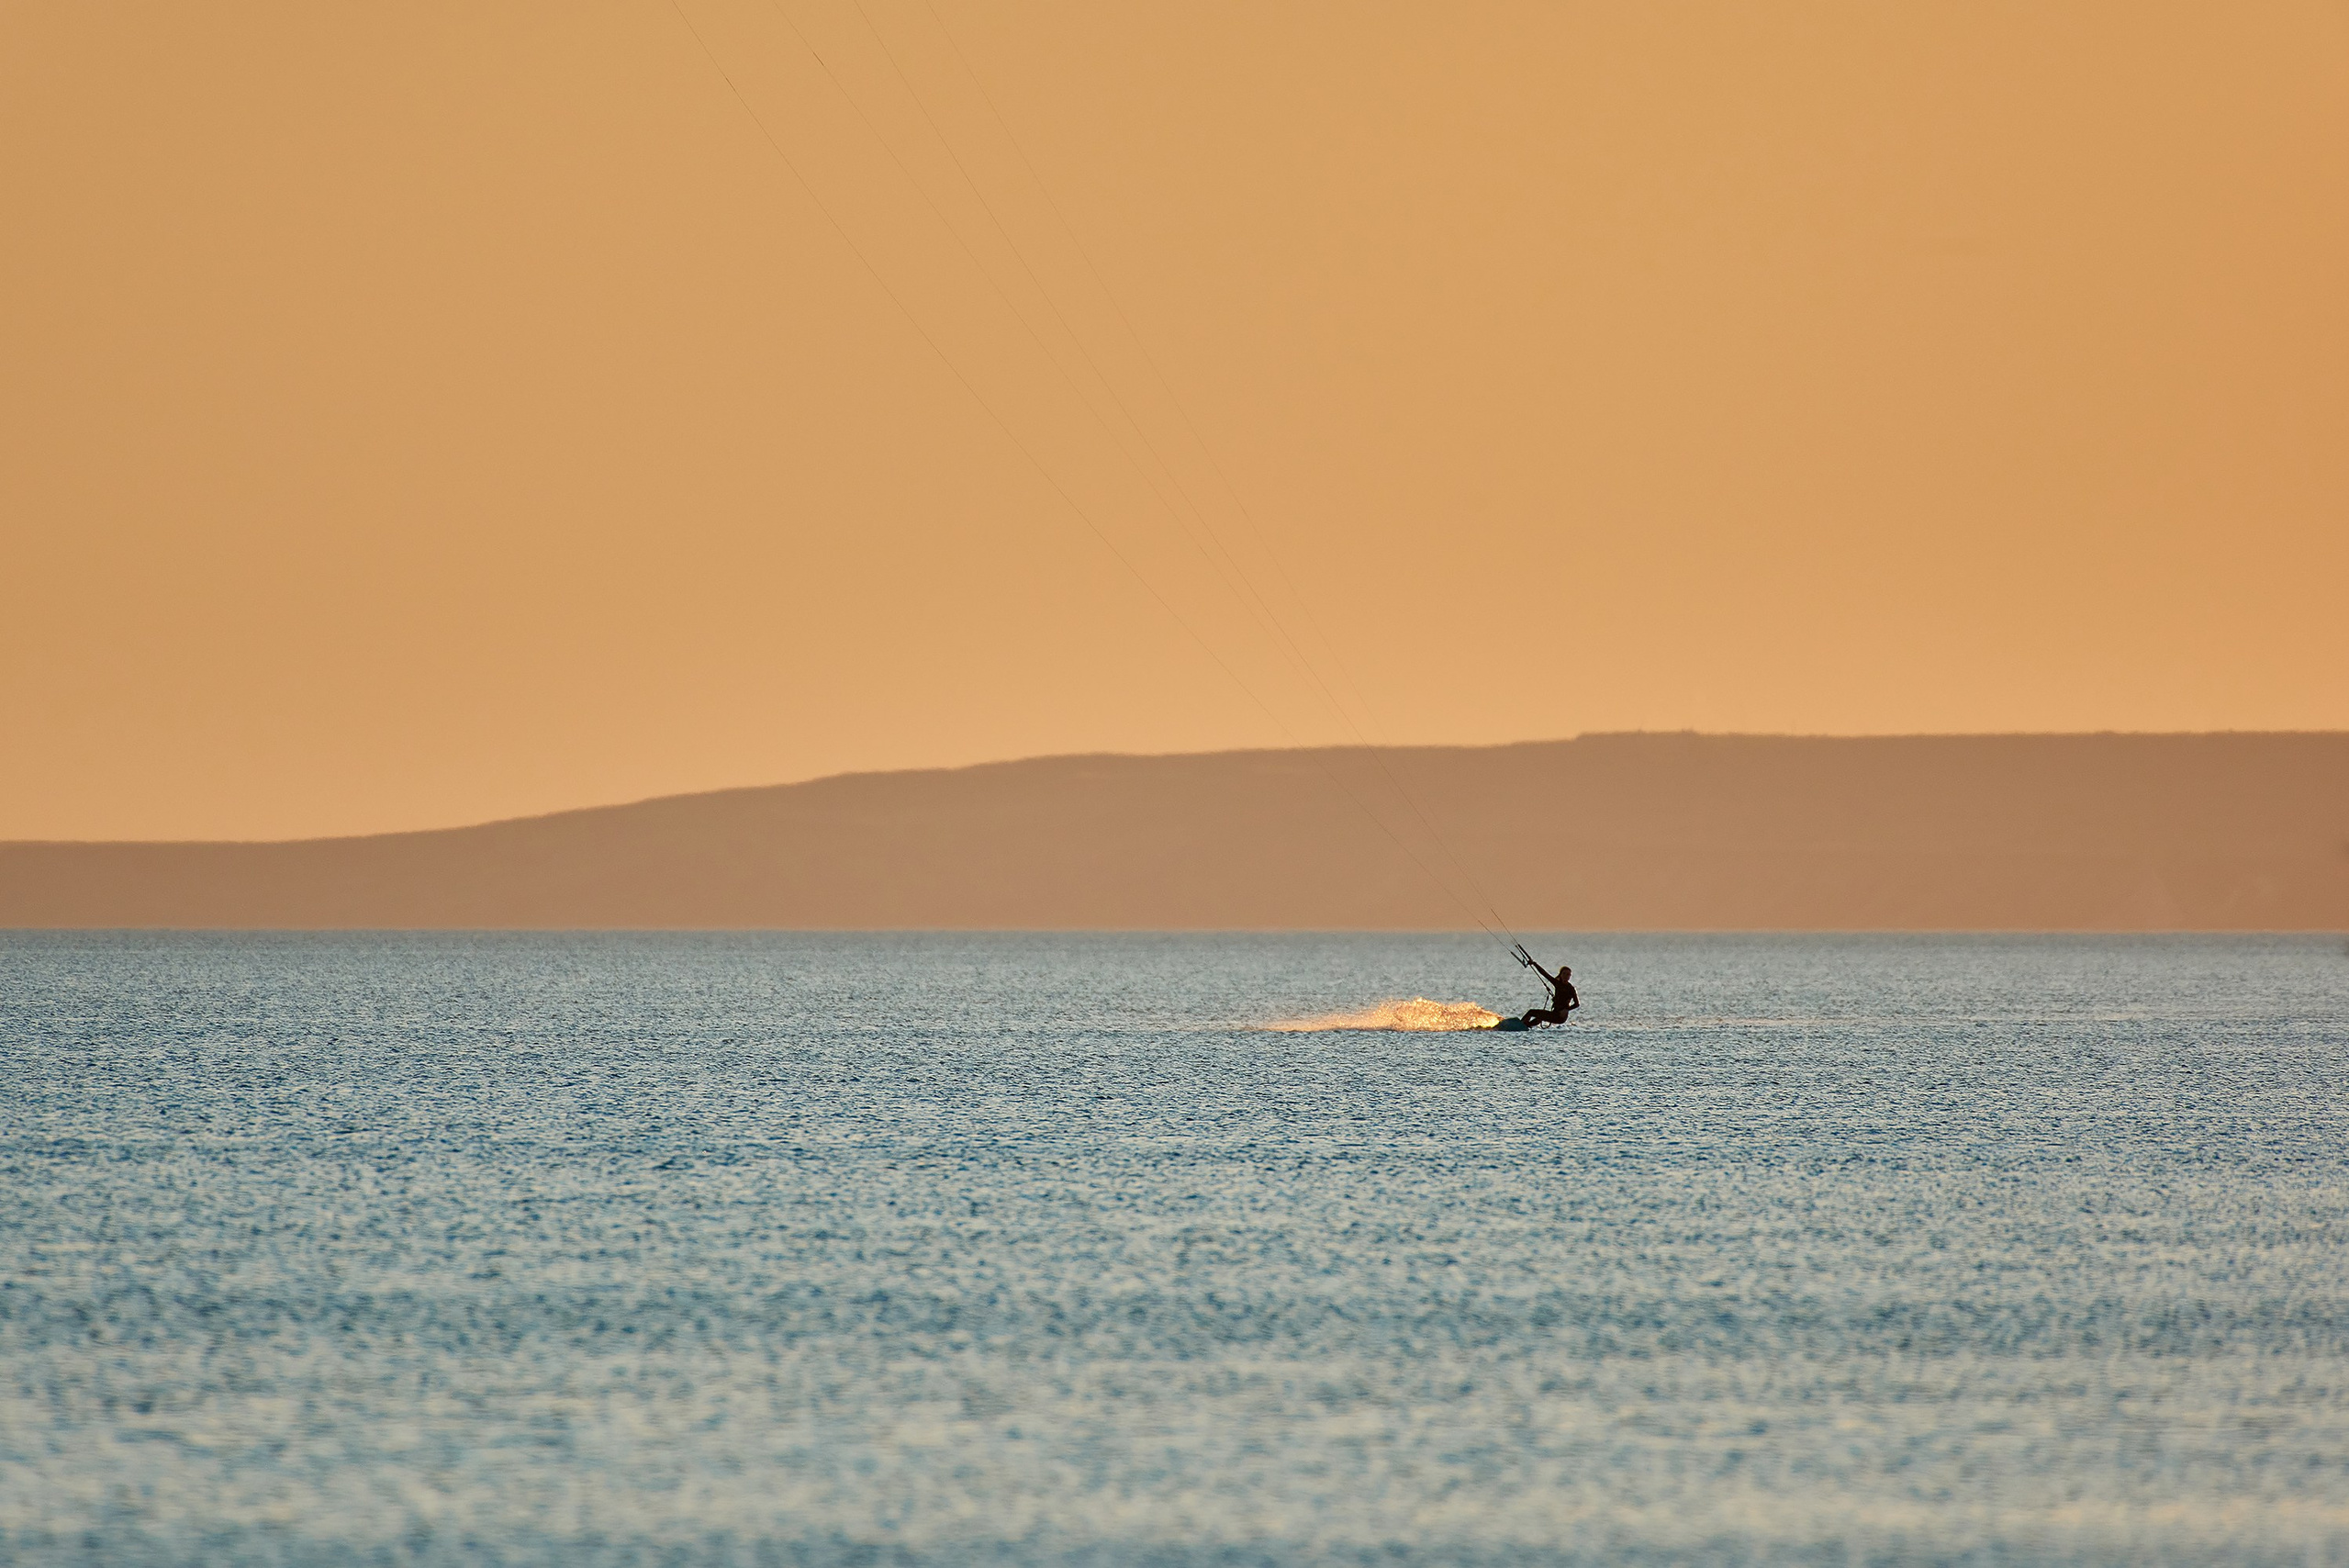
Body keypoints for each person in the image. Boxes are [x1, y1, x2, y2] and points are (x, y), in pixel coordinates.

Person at [1516, 953, 1579, 1028]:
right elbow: (1544, 974)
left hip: (1560, 1017)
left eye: (1568, 974)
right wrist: (1534, 964)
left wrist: (1566, 1009)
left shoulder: (1571, 988)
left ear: (1570, 976)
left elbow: (1577, 1004)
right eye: (1564, 974)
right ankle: (1526, 1026)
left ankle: (1519, 1026)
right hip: (1554, 1013)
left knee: (1531, 1012)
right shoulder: (1557, 983)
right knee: (1539, 1017)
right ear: (1561, 974)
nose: (1566, 976)